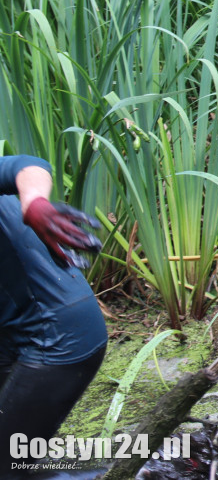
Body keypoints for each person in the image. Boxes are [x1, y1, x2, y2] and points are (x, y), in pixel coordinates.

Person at [0, 155, 107, 471]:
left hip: (58, 334)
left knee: (7, 465)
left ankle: (149, 473)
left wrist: (34, 203)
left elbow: (27, 166)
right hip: (13, 332)